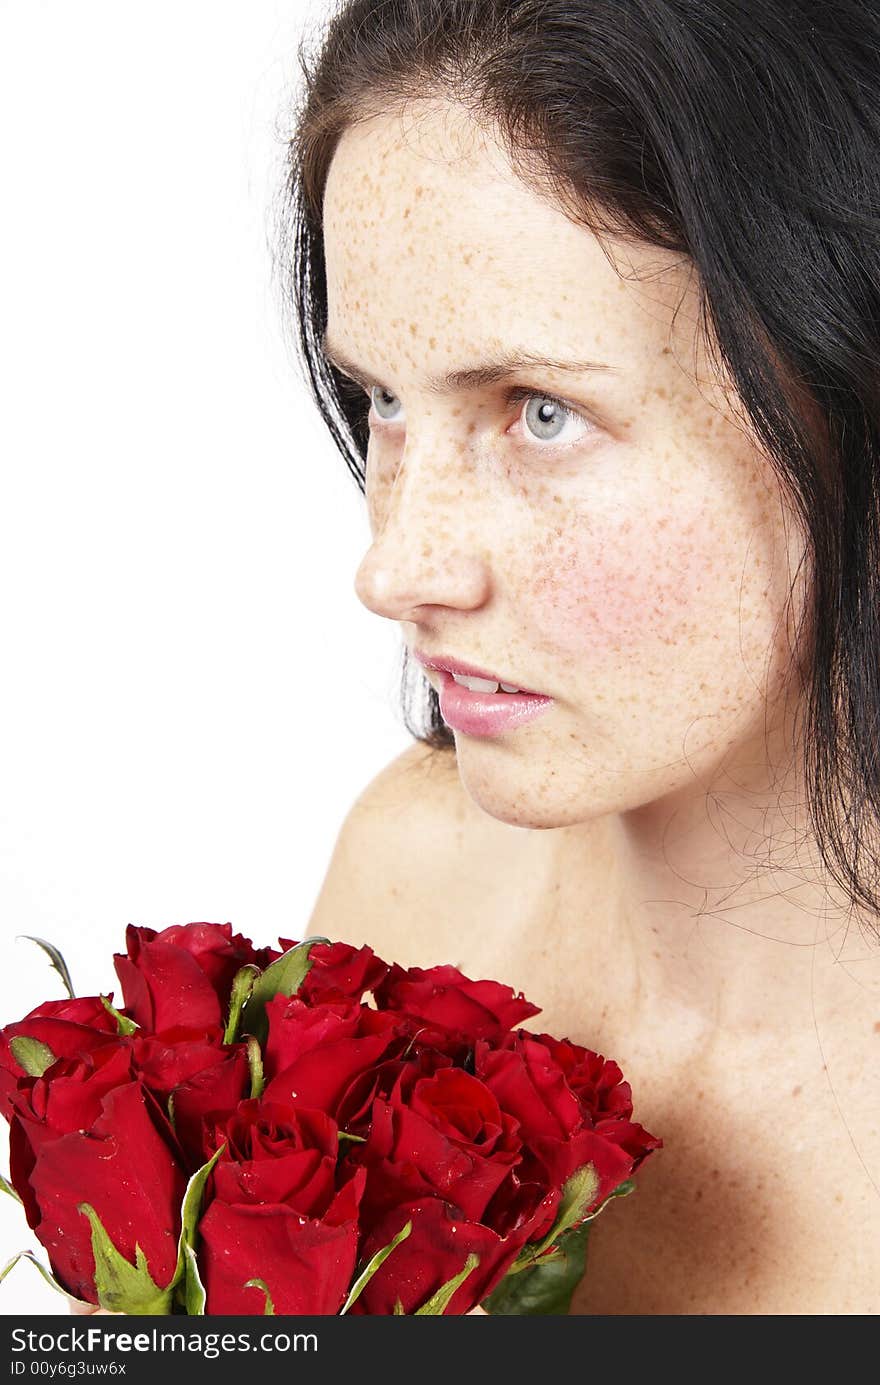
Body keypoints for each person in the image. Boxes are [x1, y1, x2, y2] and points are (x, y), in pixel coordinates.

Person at [281, 0, 880, 1313]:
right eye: (384, 399)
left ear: (849, 393)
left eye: (540, 414)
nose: (396, 568)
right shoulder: (409, 878)